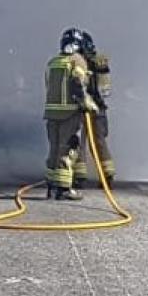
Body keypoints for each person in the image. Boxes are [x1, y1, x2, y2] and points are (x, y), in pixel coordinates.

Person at [43, 28, 98, 201]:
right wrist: (87, 103)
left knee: (53, 150)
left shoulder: (52, 62)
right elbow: (78, 84)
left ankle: (51, 187)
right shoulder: (77, 61)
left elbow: (48, 86)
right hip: (69, 114)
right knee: (68, 149)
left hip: (51, 114)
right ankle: (64, 188)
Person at [74, 33, 114, 189]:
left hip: (83, 107)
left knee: (78, 142)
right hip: (99, 108)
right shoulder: (101, 62)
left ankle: (79, 176)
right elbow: (106, 90)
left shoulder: (78, 62)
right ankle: (107, 175)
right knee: (99, 142)